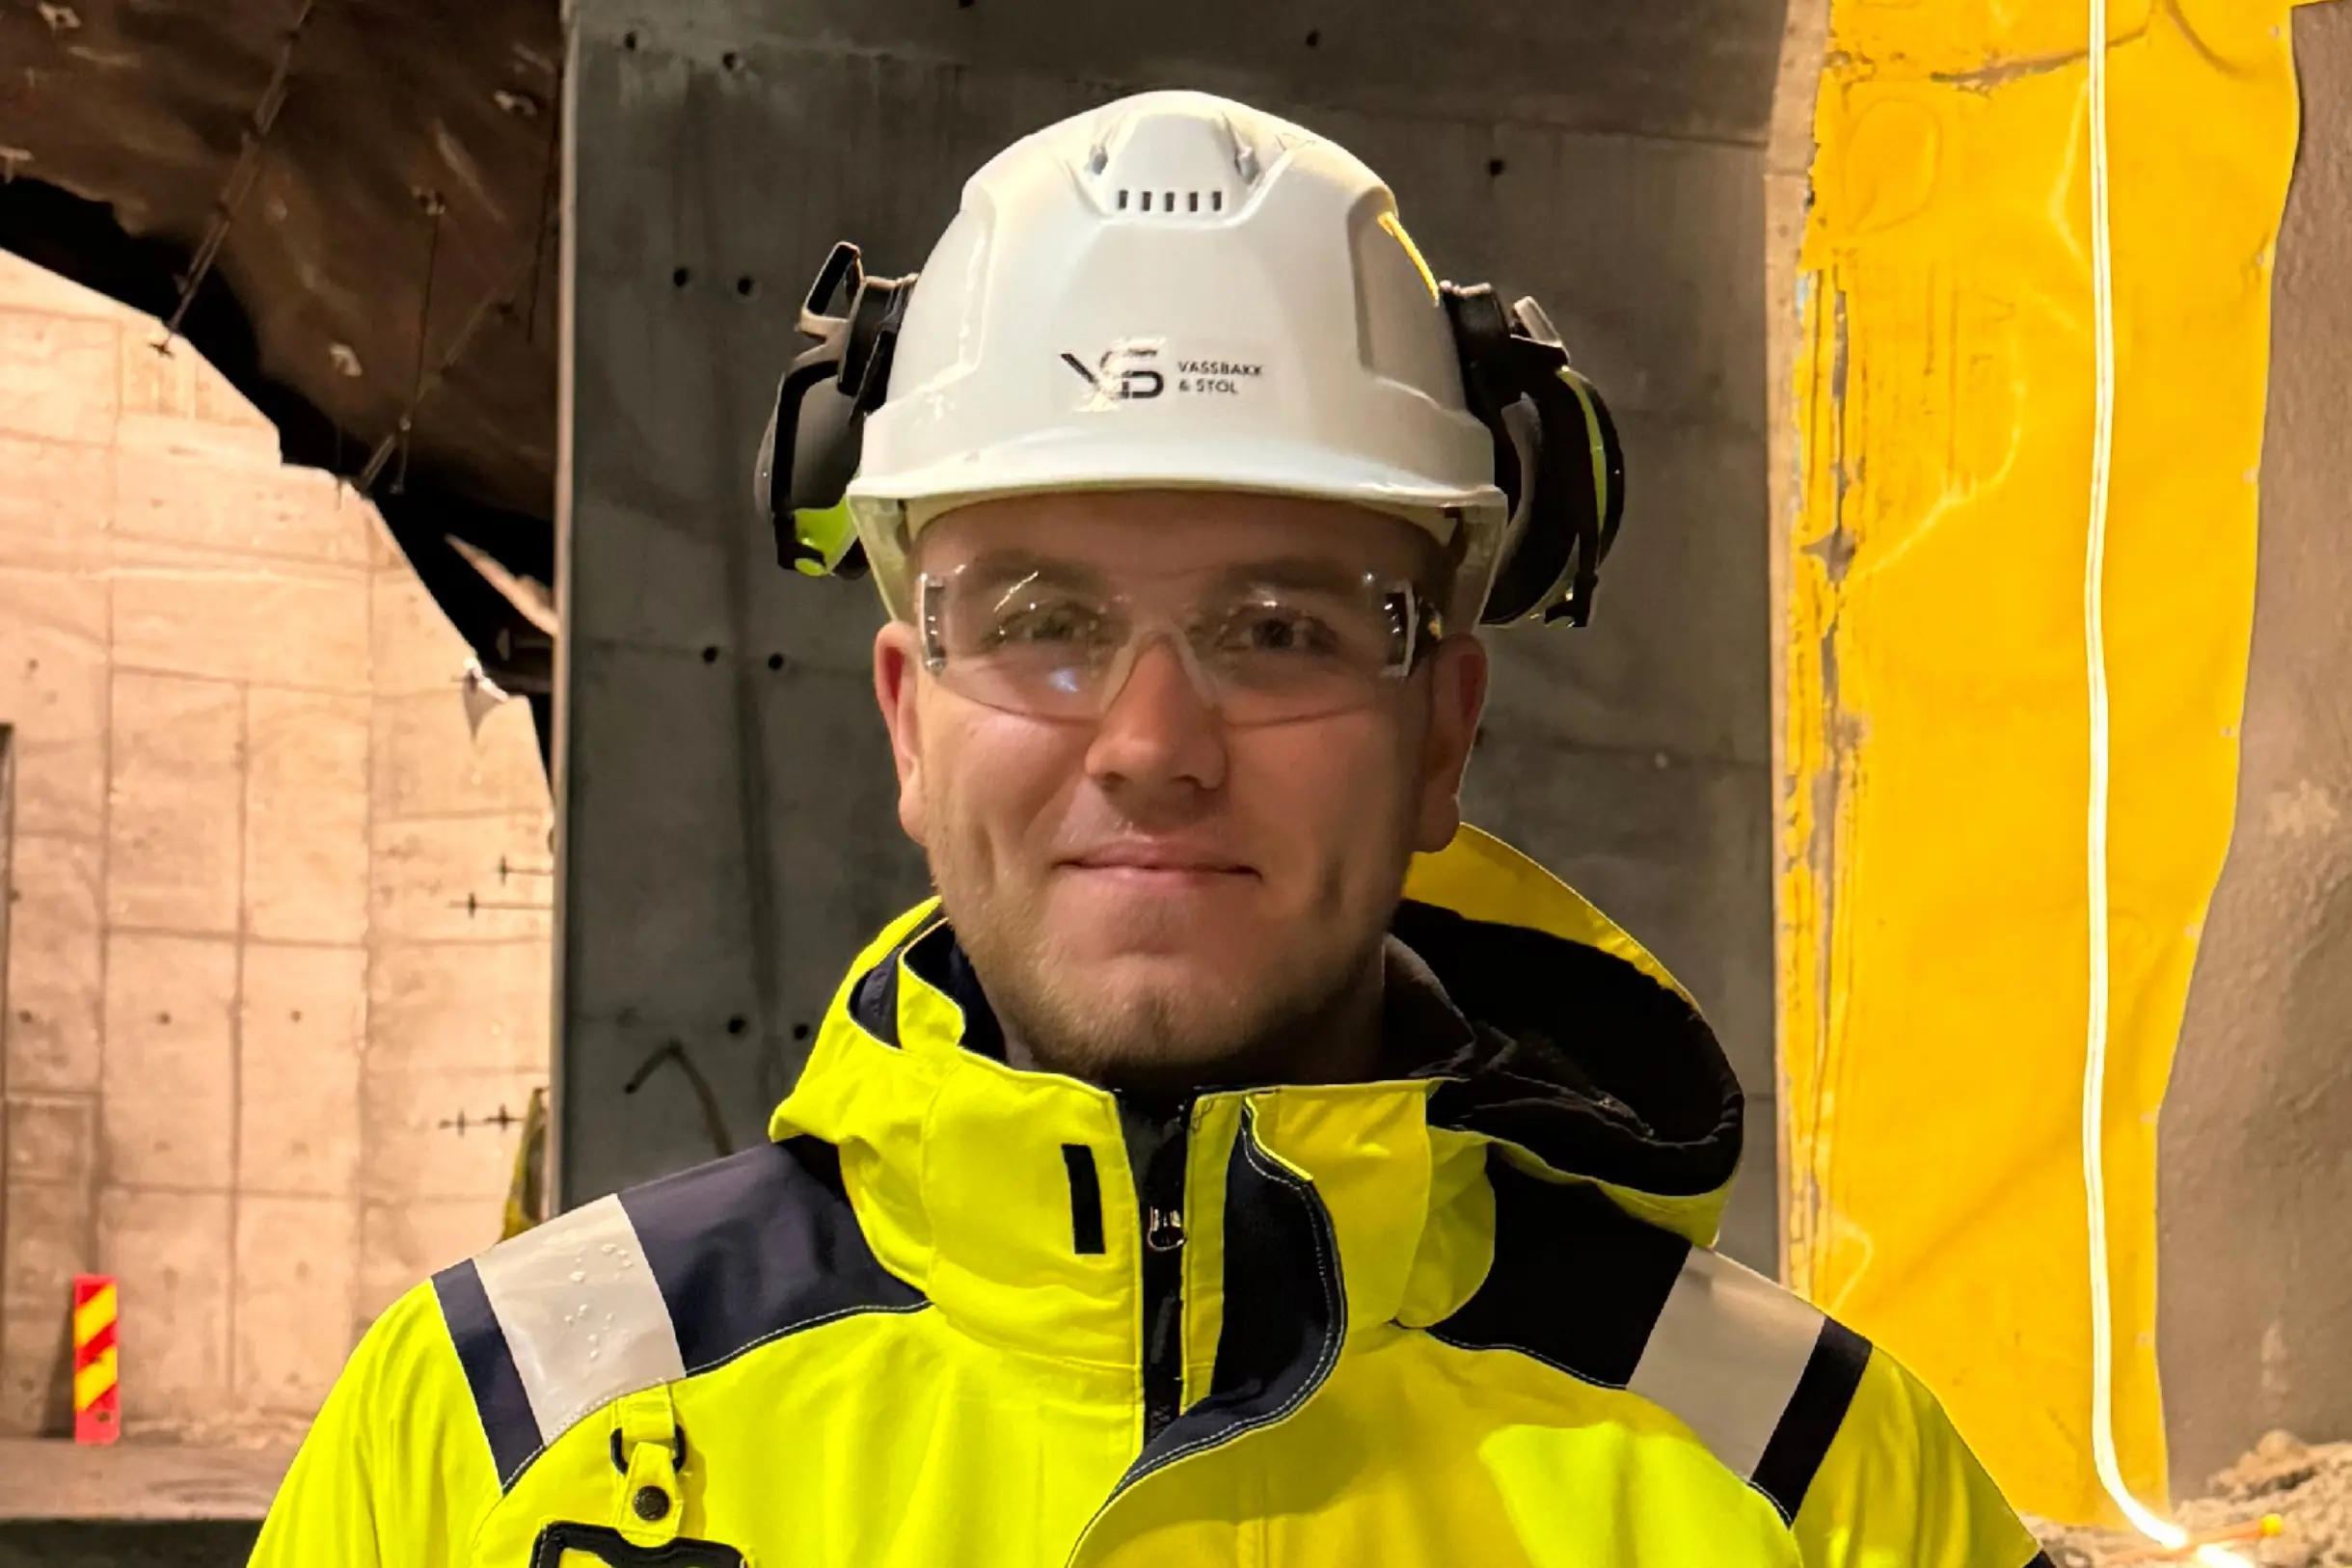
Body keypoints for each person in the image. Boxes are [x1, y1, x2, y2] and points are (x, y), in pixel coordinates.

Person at [252, 90, 2048, 1568]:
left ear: (1440, 731)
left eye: (1282, 630)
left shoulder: (1817, 1493)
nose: (1153, 745)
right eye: (1040, 620)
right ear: (909, 719)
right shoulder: (483, 1447)